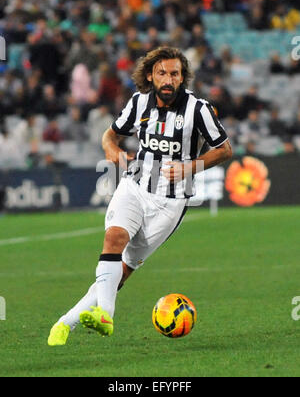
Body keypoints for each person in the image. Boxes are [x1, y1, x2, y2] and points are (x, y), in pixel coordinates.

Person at [47, 46, 232, 346]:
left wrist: (191, 167)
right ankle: (105, 315)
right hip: (135, 185)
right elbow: (110, 134)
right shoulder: (138, 103)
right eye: (162, 73)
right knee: (113, 238)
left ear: (182, 77)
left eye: (174, 73)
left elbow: (225, 149)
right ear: (150, 76)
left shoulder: (198, 110)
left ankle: (64, 323)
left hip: (171, 202)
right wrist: (111, 149)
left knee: (121, 271)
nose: (168, 79)